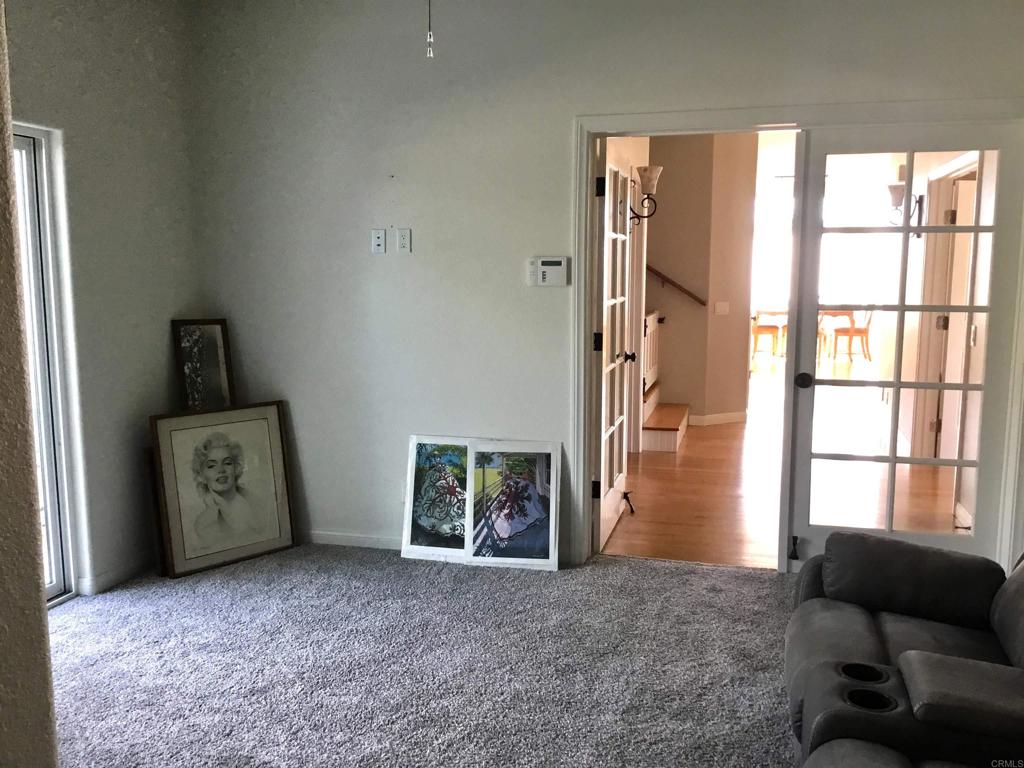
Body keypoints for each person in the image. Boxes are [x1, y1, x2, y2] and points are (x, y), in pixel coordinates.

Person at [185, 432, 270, 556]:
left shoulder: (257, 503)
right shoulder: (204, 523)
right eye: (211, 466)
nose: (221, 470)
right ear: (201, 475)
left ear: (236, 468)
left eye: (227, 463)